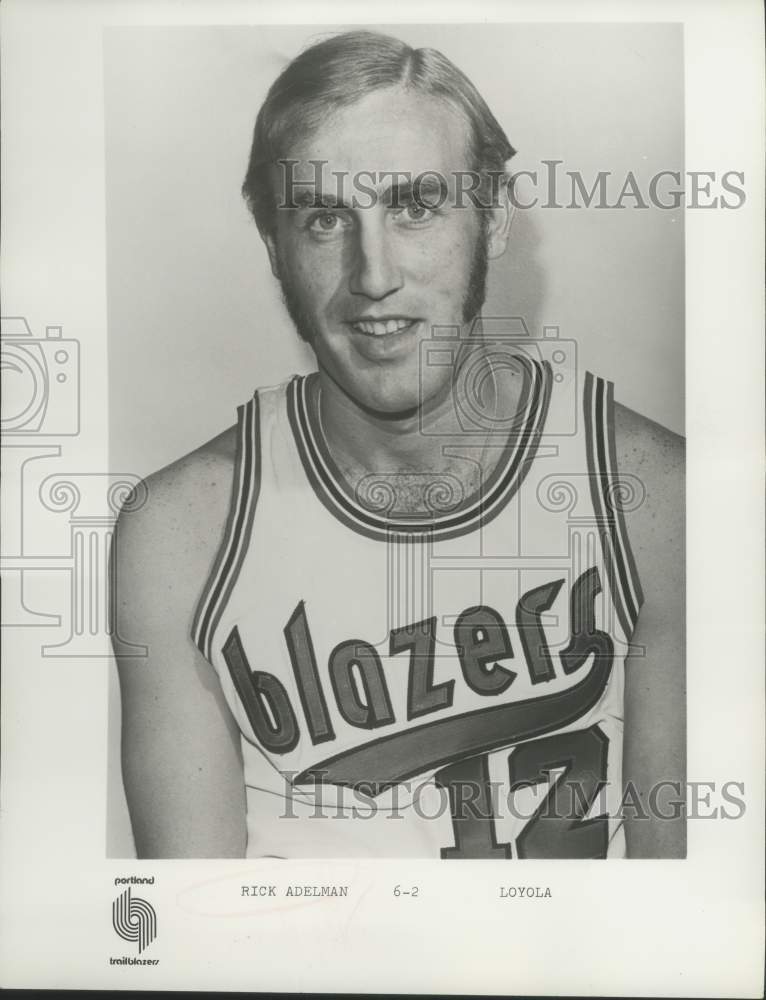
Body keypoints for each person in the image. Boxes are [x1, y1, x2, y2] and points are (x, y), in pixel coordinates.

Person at [113, 30, 685, 859]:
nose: (373, 274)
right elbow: (190, 946)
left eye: (415, 206)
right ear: (273, 245)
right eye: (323, 218)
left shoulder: (659, 499)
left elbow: (689, 929)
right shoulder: (178, 536)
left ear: (493, 218)